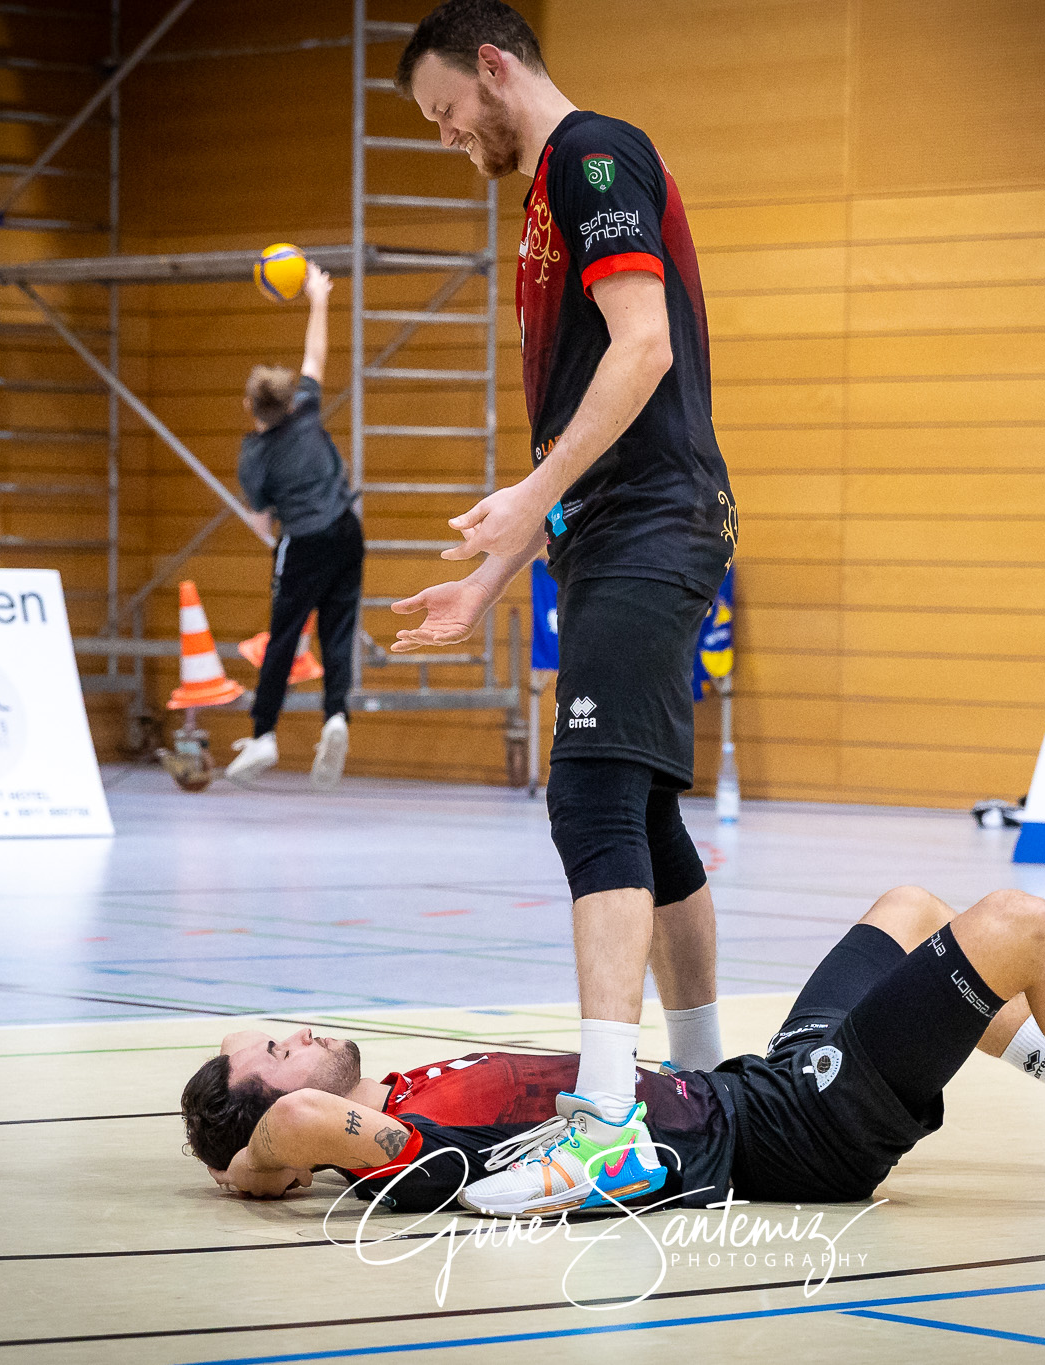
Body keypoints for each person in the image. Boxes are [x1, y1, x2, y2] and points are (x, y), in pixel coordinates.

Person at [385, 0, 740, 1214]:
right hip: (608, 529)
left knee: (588, 793)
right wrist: (493, 571)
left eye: (444, 110)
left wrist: (531, 490)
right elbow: (580, 418)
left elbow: (640, 350)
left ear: (493, 67)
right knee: (641, 809)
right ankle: (703, 1093)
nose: (445, 137)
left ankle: (605, 1132)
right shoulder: (543, 200)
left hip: (652, 521)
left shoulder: (593, 157)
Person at [183, 885, 1045, 1217]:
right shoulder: (391, 1146)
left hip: (750, 1090)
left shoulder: (401, 1090)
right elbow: (282, 1142)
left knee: (908, 908)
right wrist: (243, 1161)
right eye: (273, 1051)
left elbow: (282, 1124)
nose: (297, 1038)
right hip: (786, 1140)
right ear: (271, 1108)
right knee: (1017, 930)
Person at [226, 266, 364, 790]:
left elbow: (263, 520)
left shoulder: (254, 456)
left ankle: (263, 734)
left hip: (302, 541)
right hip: (348, 532)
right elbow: (316, 355)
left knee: (284, 636)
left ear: (251, 407)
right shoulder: (306, 409)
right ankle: (335, 717)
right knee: (338, 630)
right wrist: (318, 297)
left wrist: (278, 542)